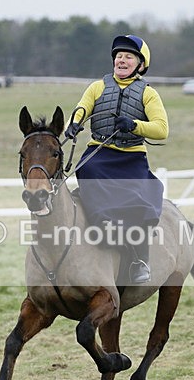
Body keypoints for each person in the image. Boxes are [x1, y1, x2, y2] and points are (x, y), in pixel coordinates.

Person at [64, 34, 169, 284]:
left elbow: (161, 130)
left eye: (128, 57)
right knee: (86, 169)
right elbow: (80, 110)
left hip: (132, 159)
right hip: (99, 155)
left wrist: (134, 125)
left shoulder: (149, 94)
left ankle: (139, 260)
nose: (121, 60)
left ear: (140, 65)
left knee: (142, 201)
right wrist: (73, 125)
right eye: (119, 56)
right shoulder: (97, 87)